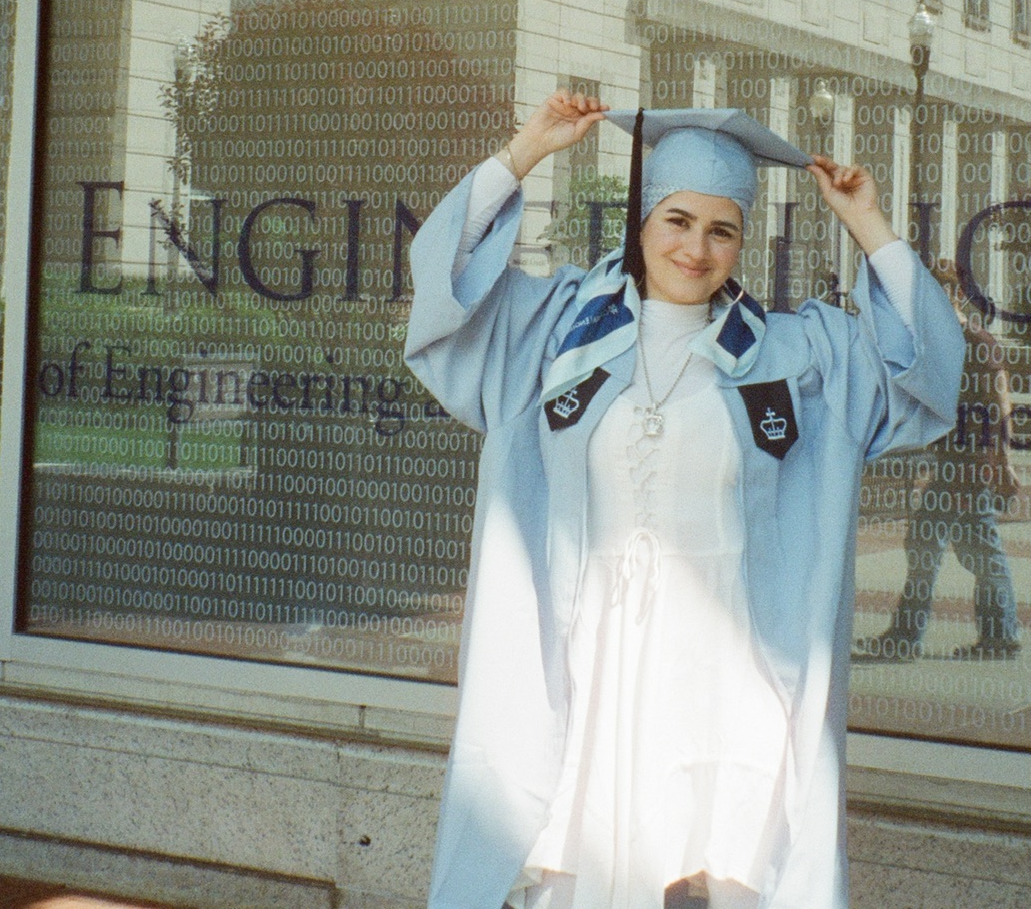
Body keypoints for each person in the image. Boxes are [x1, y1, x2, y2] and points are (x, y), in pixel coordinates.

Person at [404, 92, 965, 909]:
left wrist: (868, 225)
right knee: (584, 862)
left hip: (724, 668)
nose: (696, 249)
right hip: (589, 657)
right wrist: (524, 152)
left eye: (721, 230)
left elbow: (926, 374)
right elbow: (444, 296)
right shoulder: (555, 334)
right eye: (676, 221)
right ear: (641, 224)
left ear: (743, 240)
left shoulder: (795, 355)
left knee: (725, 863)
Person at [856, 260, 1022, 662]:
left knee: (935, 548)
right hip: (955, 462)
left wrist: (1002, 461)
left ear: (956, 296)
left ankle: (909, 639)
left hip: (969, 465)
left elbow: (999, 404)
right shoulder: (944, 343)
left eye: (938, 294)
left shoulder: (977, 342)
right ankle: (998, 636)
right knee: (967, 549)